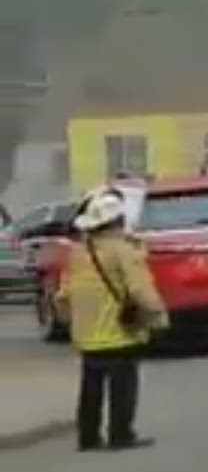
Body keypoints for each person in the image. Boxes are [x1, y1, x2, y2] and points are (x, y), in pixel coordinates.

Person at [54, 186, 169, 452]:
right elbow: (140, 290)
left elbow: (63, 296)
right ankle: (121, 434)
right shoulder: (123, 251)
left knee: (90, 389)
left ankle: (88, 437)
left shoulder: (77, 254)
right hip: (120, 332)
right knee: (123, 386)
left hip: (87, 336)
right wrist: (158, 317)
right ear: (117, 220)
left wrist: (69, 323)